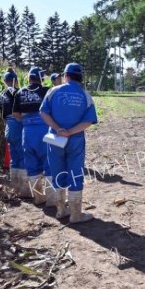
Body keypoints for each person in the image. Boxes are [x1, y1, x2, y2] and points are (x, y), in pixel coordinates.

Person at [40, 63, 98, 221]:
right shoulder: (85, 95)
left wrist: (58, 129)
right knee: (75, 173)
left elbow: (43, 113)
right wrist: (70, 132)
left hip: (55, 138)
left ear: (66, 75)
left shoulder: (52, 91)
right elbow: (89, 121)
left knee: (57, 172)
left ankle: (60, 210)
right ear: (80, 77)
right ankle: (76, 214)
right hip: (75, 140)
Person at [13, 66, 51, 204]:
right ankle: (52, 200)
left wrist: (27, 120)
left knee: (32, 164)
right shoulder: (46, 91)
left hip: (27, 132)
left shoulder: (20, 92)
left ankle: (39, 198)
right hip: (44, 130)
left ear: (29, 77)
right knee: (49, 163)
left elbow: (15, 114)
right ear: (41, 79)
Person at [0, 68, 23, 194]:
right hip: (18, 126)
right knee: (22, 156)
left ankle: (15, 186)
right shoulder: (18, 93)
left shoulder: (0, 95)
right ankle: (24, 188)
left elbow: (2, 115)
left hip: (8, 127)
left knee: (13, 157)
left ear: (4, 81)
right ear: (15, 80)